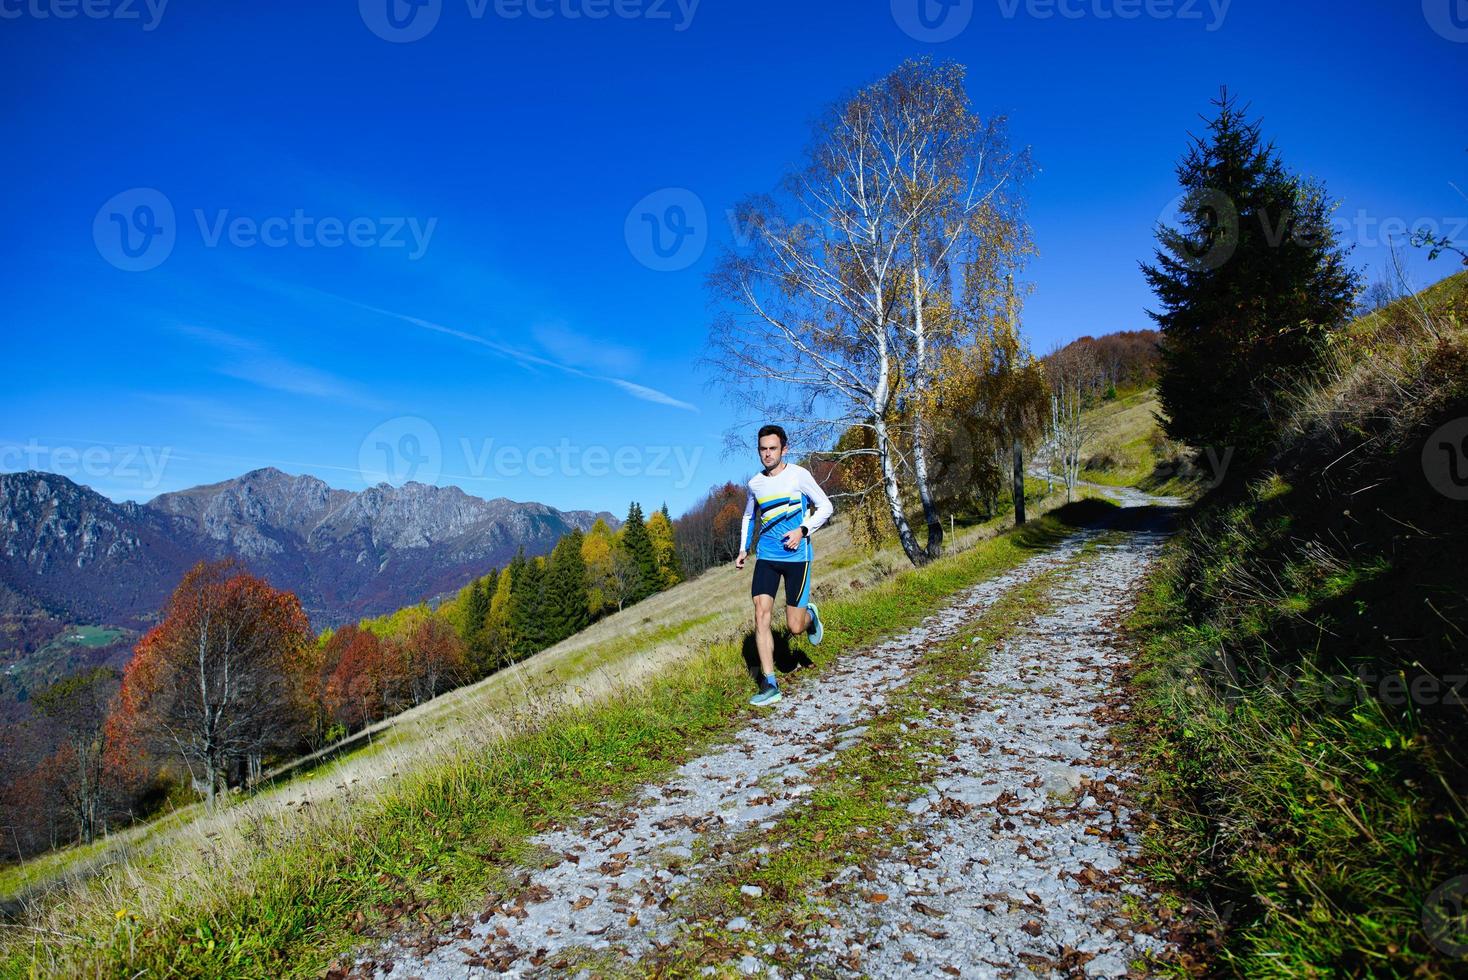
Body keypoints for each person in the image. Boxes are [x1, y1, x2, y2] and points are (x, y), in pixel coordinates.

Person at [734, 424, 834, 706]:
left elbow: (826, 506)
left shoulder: (799, 475)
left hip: (797, 557)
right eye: (763, 449)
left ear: (784, 449)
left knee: (794, 627)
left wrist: (802, 530)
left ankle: (810, 618)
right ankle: (770, 683)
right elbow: (748, 517)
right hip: (766, 556)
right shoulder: (755, 483)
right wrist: (743, 549)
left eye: (773, 448)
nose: (767, 454)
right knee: (761, 613)